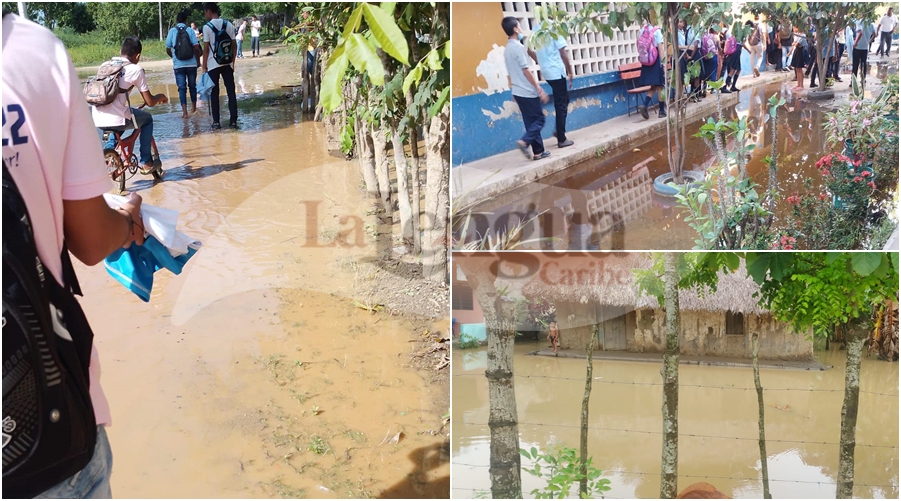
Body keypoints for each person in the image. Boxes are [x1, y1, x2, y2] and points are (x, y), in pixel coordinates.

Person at [3, 11, 146, 498]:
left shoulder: (94, 65)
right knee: (142, 128)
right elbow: (88, 241)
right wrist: (127, 222)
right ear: (138, 53)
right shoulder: (33, 54)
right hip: (43, 432)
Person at [92, 36, 169, 172]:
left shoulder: (105, 65)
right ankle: (146, 162)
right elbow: (150, 102)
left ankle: (110, 153)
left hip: (98, 118)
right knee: (147, 119)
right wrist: (160, 97)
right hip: (117, 118)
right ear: (138, 55)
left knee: (120, 116)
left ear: (121, 51)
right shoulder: (136, 69)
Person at [501, 17, 551, 161]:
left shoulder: (507, 49)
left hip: (518, 91)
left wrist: (513, 91)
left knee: (531, 122)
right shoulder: (518, 47)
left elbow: (510, 72)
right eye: (519, 25)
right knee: (540, 119)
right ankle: (524, 141)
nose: (521, 27)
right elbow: (525, 70)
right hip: (527, 91)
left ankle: (538, 152)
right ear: (515, 29)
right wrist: (538, 89)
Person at [529, 23, 574, 148]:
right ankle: (561, 138)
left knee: (564, 100)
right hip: (556, 72)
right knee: (561, 104)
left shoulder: (535, 29)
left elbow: (528, 49)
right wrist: (570, 71)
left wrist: (541, 62)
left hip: (546, 72)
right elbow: (563, 53)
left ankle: (559, 130)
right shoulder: (554, 28)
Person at [202, 2, 238, 129]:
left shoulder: (207, 27)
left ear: (209, 12)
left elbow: (206, 49)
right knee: (231, 92)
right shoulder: (229, 24)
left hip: (213, 64)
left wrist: (204, 66)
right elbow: (234, 45)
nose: (205, 15)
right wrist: (233, 62)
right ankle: (233, 121)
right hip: (227, 62)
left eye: (205, 13)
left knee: (214, 93)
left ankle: (216, 122)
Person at [165, 10, 201, 118]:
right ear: (186, 20)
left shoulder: (172, 31)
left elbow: (167, 48)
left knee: (181, 88)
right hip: (191, 64)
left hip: (178, 66)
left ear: (177, 21)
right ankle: (194, 109)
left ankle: (185, 113)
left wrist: (174, 57)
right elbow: (196, 47)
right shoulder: (190, 30)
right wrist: (198, 61)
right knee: (192, 86)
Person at [636, 21, 666, 118]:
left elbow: (638, 45)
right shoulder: (657, 31)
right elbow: (661, 49)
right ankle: (661, 111)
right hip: (656, 59)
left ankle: (644, 105)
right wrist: (663, 65)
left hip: (647, 61)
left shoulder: (642, 30)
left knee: (653, 86)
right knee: (660, 86)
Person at [677, 19, 701, 100]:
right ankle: (681, 98)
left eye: (681, 22)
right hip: (680, 55)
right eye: (678, 22)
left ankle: (694, 95)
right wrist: (687, 48)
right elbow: (678, 46)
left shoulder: (683, 32)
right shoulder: (677, 32)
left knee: (694, 75)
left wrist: (687, 54)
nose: (680, 24)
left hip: (685, 54)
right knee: (681, 79)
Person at [852, 19, 875, 86]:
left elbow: (861, 33)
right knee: (863, 64)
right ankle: (863, 79)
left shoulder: (859, 22)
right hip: (865, 47)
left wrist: (855, 43)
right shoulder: (871, 24)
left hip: (858, 47)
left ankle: (853, 81)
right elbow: (875, 34)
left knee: (855, 65)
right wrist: (869, 41)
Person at [721, 27, 742, 93]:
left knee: (738, 69)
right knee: (733, 70)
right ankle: (724, 87)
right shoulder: (741, 34)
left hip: (736, 52)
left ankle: (733, 86)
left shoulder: (735, 35)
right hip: (736, 52)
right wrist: (749, 50)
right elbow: (743, 44)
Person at [789, 24, 809, 92]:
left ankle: (801, 85)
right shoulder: (796, 35)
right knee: (797, 68)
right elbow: (794, 43)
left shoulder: (803, 35)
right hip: (797, 51)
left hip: (801, 51)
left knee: (799, 69)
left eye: (795, 28)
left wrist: (795, 43)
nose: (794, 29)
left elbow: (797, 44)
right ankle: (798, 84)